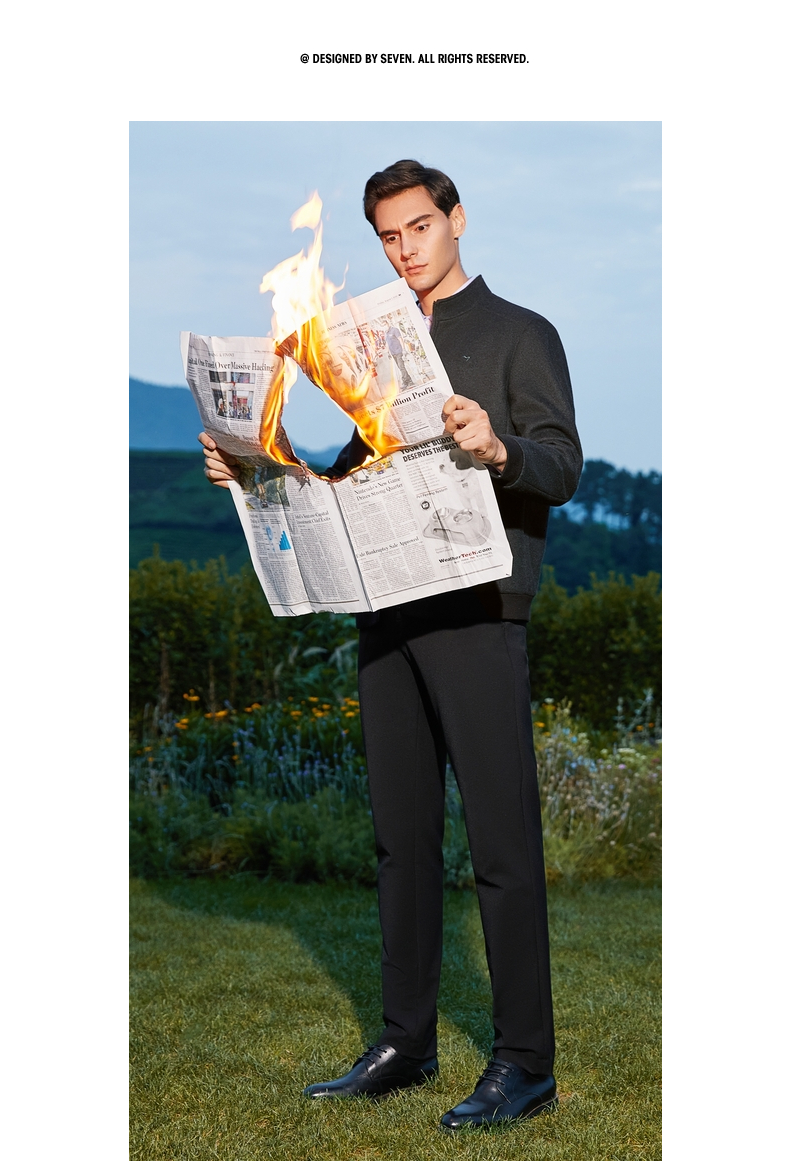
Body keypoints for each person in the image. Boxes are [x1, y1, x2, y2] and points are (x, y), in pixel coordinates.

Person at [199, 159, 583, 1132]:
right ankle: (405, 1042)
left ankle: (525, 1063)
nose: (405, 248)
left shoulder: (521, 333)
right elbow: (352, 479)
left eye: (419, 226)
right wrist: (260, 467)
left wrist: (497, 446)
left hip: (480, 610)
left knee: (501, 846)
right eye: (388, 235)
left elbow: (562, 464)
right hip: (387, 613)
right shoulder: (374, 345)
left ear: (456, 220)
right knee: (399, 842)